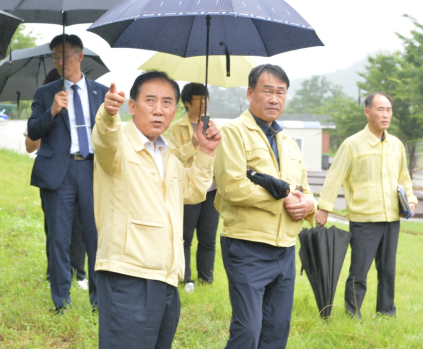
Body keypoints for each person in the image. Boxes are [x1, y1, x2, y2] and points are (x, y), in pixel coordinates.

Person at [93, 71, 221, 349]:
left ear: (176, 110)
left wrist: (207, 151)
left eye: (167, 102)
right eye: (150, 100)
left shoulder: (167, 151)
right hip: (128, 274)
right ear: (132, 106)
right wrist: (107, 114)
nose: (158, 110)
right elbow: (105, 139)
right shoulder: (119, 143)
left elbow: (192, 190)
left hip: (165, 276)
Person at [213, 64, 317, 349]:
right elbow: (232, 187)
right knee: (248, 330)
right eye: (267, 91)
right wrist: (281, 200)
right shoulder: (233, 132)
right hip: (247, 246)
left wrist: (309, 203)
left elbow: (305, 190)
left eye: (280, 93)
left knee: (276, 332)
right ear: (250, 93)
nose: (274, 99)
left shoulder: (288, 142)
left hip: (285, 250)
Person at [315, 92, 418, 318]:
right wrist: (324, 208)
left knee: (387, 270)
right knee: (359, 272)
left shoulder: (396, 145)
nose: (385, 114)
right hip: (364, 219)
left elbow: (404, 178)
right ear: (367, 111)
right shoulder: (351, 145)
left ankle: (386, 312)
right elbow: (335, 177)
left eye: (388, 110)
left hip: (391, 218)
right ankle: (353, 313)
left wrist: (411, 200)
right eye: (380, 109)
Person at [27, 34, 107, 313]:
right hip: (58, 173)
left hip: (92, 170)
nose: (60, 61)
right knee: (58, 239)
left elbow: (112, 134)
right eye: (55, 57)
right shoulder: (45, 93)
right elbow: (33, 131)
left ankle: (99, 302)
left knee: (95, 237)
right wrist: (52, 110)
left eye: (65, 55)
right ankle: (61, 302)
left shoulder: (101, 92)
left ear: (80, 56)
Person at [25, 67, 88, 291]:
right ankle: (55, 272)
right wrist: (50, 117)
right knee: (54, 228)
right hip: (53, 173)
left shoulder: (84, 104)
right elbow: (30, 144)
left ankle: (79, 272)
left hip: (80, 171)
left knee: (79, 226)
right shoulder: (45, 104)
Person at [167, 83, 220, 293]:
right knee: (186, 236)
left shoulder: (212, 125)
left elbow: (218, 156)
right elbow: (173, 157)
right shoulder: (176, 128)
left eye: (206, 98)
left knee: (208, 238)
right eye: (200, 99)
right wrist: (194, 143)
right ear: (187, 102)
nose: (204, 103)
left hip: (211, 189)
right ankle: (185, 278)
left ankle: (206, 280)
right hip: (187, 187)